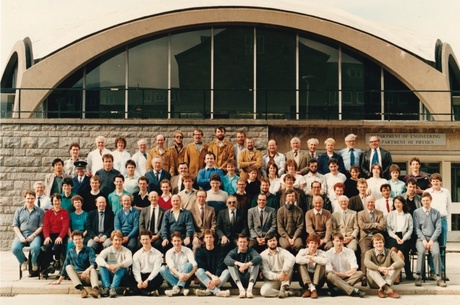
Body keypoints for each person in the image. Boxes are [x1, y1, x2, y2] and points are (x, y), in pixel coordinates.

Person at [50, 230, 100, 298]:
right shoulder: (70, 251)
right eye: (75, 239)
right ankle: (82, 290)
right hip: (77, 277)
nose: (78, 241)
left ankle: (95, 290)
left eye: (79, 239)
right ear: (73, 241)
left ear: (83, 239)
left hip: (88, 276)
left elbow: (94, 263)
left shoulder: (89, 250)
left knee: (93, 269)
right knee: (68, 267)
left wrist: (87, 271)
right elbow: (65, 267)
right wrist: (59, 281)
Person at [413, 192, 447, 287]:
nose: (425, 202)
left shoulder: (436, 212)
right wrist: (423, 240)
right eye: (423, 200)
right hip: (421, 239)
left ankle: (439, 277)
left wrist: (432, 240)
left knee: (436, 253)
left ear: (430, 200)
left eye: (427, 200)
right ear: (421, 201)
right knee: (421, 252)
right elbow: (416, 228)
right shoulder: (416, 212)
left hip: (433, 239)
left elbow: (438, 228)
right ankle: (418, 276)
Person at [11, 190, 44, 274]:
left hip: (35, 235)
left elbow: (41, 226)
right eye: (28, 198)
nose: (30, 200)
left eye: (32, 198)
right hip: (21, 234)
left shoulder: (40, 211)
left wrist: (33, 235)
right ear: (25, 198)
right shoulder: (19, 211)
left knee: (35, 248)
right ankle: (24, 261)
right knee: (15, 249)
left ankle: (33, 262)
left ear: (35, 198)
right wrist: (20, 236)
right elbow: (15, 225)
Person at [426, 173, 451, 276]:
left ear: (440, 181)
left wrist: (446, 221)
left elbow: (449, 207)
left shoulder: (446, 192)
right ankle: (432, 271)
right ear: (430, 182)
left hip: (442, 219)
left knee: (442, 247)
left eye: (437, 180)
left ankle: (442, 271)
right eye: (433, 180)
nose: (435, 182)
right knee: (432, 246)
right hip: (431, 221)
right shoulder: (427, 192)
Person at [364, 233, 404, 298]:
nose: (378, 244)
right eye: (376, 243)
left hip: (387, 279)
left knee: (397, 266)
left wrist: (390, 268)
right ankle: (388, 289)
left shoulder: (389, 252)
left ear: (383, 243)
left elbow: (401, 262)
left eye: (380, 242)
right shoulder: (369, 252)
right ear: (373, 245)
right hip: (374, 282)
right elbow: (366, 262)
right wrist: (379, 268)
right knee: (369, 268)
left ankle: (381, 289)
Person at [358, 195, 386, 286]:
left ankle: (379, 274)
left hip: (376, 236)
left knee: (380, 251)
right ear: (365, 203)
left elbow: (382, 226)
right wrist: (374, 224)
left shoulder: (380, 213)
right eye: (368, 202)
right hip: (365, 237)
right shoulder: (360, 213)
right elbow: (362, 226)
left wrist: (369, 226)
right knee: (365, 252)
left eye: (372, 202)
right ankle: (364, 276)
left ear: (374, 202)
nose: (370, 204)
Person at [325, 233, 365, 297]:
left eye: (341, 241)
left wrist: (345, 275)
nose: (339, 243)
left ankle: (338, 290)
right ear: (333, 241)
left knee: (360, 273)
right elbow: (330, 270)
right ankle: (353, 291)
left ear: (343, 241)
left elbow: (354, 268)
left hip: (347, 278)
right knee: (330, 275)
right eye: (337, 241)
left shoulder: (350, 251)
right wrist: (344, 274)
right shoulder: (328, 253)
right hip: (335, 279)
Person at [96, 230, 133, 298]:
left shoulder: (126, 251)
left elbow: (130, 260)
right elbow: (98, 258)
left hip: (122, 277)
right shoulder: (108, 250)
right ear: (111, 240)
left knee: (122, 268)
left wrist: (117, 266)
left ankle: (113, 288)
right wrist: (108, 266)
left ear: (122, 241)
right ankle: (106, 288)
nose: (118, 242)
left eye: (119, 240)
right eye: (115, 240)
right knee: (102, 266)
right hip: (110, 274)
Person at [260, 232, 298, 298]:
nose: (272, 242)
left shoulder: (282, 251)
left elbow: (292, 258)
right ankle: (287, 293)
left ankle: (283, 288)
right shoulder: (263, 255)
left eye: (274, 240)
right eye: (270, 241)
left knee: (289, 263)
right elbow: (266, 272)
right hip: (272, 280)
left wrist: (283, 272)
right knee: (264, 292)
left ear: (277, 241)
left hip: (284, 278)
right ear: (267, 243)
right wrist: (278, 276)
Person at [160, 231, 198, 297]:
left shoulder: (188, 250)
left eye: (178, 241)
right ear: (171, 241)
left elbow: (195, 265)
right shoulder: (169, 252)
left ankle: (177, 288)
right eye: (174, 241)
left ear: (181, 241)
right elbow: (171, 268)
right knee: (162, 269)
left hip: (186, 279)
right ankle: (180, 288)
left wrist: (189, 275)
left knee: (189, 265)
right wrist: (180, 275)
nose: (176, 243)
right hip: (172, 278)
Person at [194, 229, 231, 297]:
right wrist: (212, 276)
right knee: (199, 271)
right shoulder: (200, 252)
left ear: (214, 238)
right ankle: (217, 291)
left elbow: (220, 266)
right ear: (204, 239)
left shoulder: (220, 251)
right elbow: (202, 267)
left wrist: (216, 277)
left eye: (210, 237)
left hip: (218, 279)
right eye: (207, 237)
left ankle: (207, 291)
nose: (209, 239)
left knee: (227, 271)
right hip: (205, 279)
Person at [385, 195, 414, 281]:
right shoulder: (390, 215)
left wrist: (404, 238)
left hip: (405, 237)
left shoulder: (408, 215)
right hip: (393, 236)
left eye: (399, 202)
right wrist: (396, 237)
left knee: (400, 254)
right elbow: (388, 229)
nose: (397, 204)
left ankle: (397, 276)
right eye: (396, 203)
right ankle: (396, 275)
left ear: (403, 204)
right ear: (393, 204)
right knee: (393, 250)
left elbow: (410, 229)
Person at [224, 234, 262, 298]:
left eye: (244, 242)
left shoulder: (251, 250)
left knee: (255, 263)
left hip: (249, 279)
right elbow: (226, 259)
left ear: (247, 243)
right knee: (231, 265)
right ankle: (241, 290)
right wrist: (239, 264)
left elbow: (259, 258)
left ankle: (249, 290)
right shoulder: (234, 251)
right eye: (240, 242)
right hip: (237, 281)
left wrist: (247, 264)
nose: (242, 244)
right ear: (237, 243)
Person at [42, 193, 70, 277]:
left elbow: (65, 226)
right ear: (52, 202)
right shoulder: (48, 213)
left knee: (58, 245)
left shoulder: (64, 212)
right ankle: (51, 263)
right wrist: (47, 236)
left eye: (58, 201)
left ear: (60, 201)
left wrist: (60, 237)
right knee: (47, 246)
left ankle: (57, 260)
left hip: (61, 235)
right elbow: (45, 226)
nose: (56, 203)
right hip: (51, 235)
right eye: (55, 201)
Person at [129, 230, 164, 296]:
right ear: (140, 241)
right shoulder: (137, 254)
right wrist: (139, 281)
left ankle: (135, 291)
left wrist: (147, 280)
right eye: (143, 239)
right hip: (141, 275)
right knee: (131, 278)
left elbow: (156, 270)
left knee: (159, 278)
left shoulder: (158, 254)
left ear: (151, 239)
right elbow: (136, 270)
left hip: (152, 276)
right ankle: (148, 293)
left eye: (147, 239)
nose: (145, 241)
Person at [296, 233, 327, 299]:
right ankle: (312, 289)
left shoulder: (321, 252)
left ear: (318, 245)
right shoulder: (302, 251)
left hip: (318, 281)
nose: (313, 245)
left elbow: (326, 261)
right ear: (307, 244)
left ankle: (312, 289)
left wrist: (312, 258)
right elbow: (297, 260)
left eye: (315, 243)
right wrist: (308, 261)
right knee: (301, 264)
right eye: (311, 243)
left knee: (321, 264)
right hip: (305, 281)